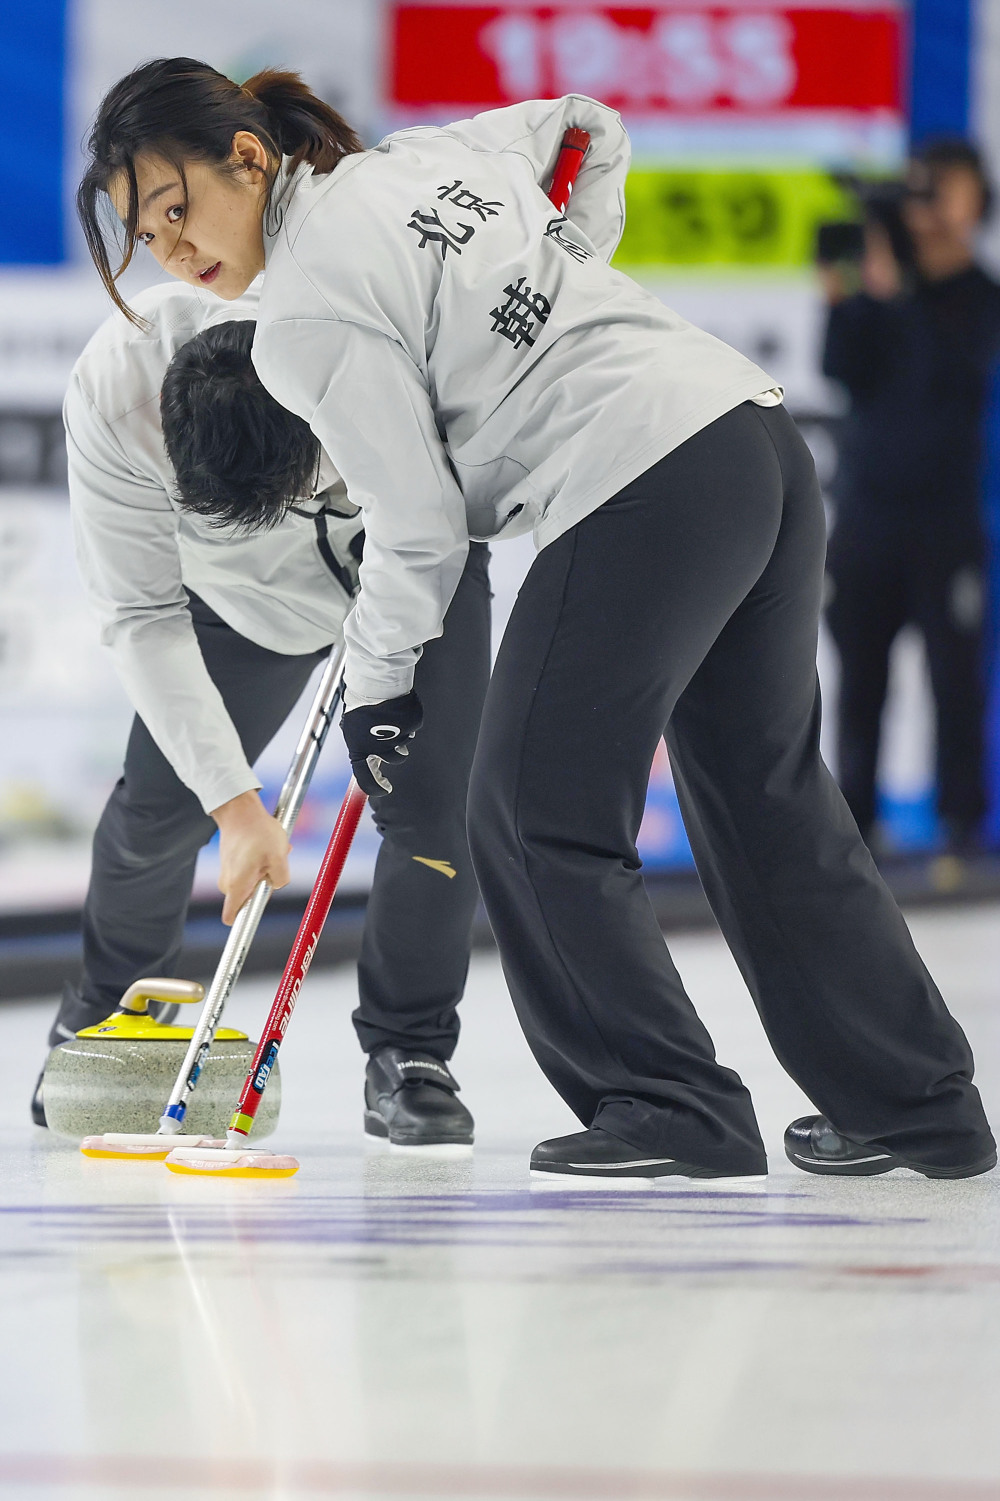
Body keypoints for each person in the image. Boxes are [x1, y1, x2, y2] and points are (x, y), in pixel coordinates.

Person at [76, 59, 996, 1183]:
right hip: (748, 436)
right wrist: (572, 275)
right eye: (143, 235)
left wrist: (376, 688)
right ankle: (918, 1106)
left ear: (249, 157)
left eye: (178, 209)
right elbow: (585, 125)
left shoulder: (301, 314)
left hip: (634, 481)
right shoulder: (419, 159)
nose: (171, 251)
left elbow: (415, 524)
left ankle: (666, 1102)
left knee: (522, 805)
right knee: (765, 796)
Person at [34, 280, 491, 1149]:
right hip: (235, 605)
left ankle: (409, 1053)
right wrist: (236, 807)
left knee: (435, 809)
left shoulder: (371, 338)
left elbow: (456, 492)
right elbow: (141, 616)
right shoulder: (112, 388)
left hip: (416, 564)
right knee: (159, 814)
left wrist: (389, 650)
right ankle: (107, 1021)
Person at [820, 139, 1000, 855]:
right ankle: (854, 829)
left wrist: (908, 284)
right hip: (866, 517)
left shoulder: (980, 298)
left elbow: (951, 367)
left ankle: (962, 832)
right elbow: (839, 368)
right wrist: (866, 288)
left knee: (957, 681)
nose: (925, 210)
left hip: (948, 520)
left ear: (976, 203)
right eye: (920, 192)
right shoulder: (877, 293)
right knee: (859, 682)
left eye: (945, 193)